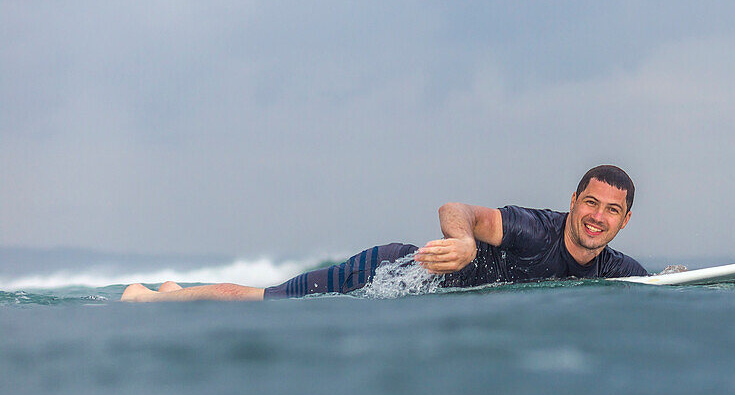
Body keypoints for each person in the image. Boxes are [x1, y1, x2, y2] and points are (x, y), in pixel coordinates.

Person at [120, 165, 647, 302]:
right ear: (574, 202)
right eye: (590, 203)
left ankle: (176, 292)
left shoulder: (617, 271)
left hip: (425, 302)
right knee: (271, 300)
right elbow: (455, 207)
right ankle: (153, 298)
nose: (597, 217)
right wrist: (464, 241)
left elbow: (672, 287)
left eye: (611, 211)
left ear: (625, 221)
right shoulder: (535, 229)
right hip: (392, 272)